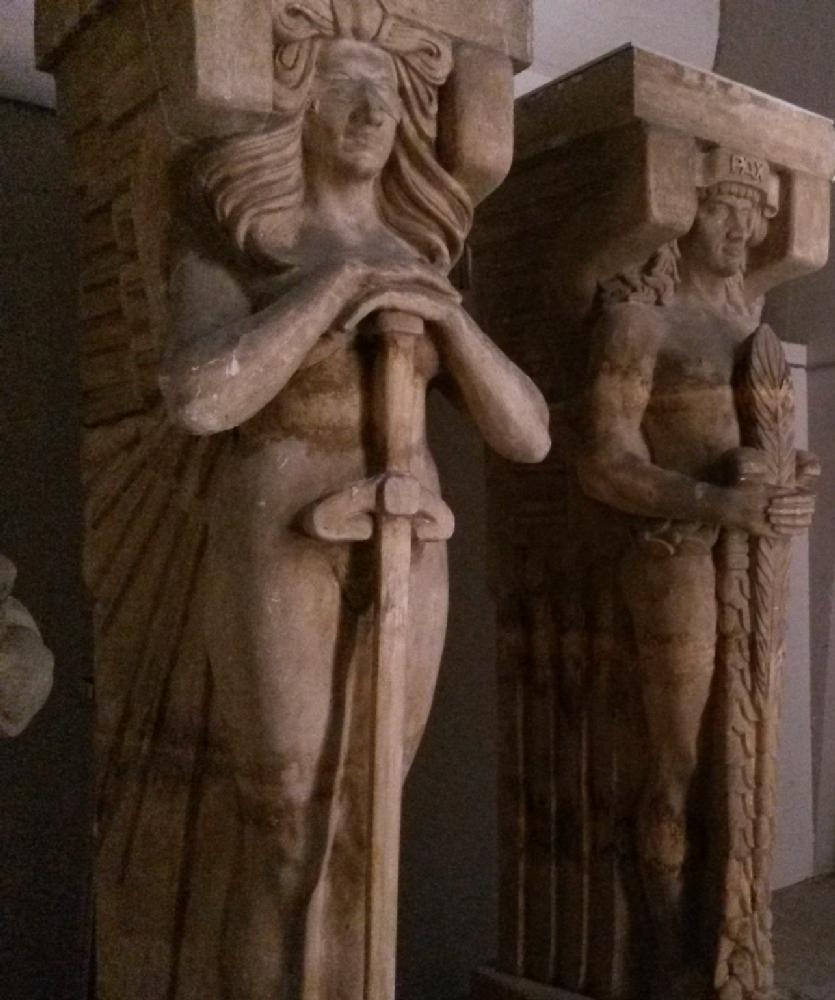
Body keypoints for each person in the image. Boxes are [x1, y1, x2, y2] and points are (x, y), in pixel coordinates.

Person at [159, 13, 549, 999]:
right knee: (286, 823)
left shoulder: (423, 261)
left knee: (369, 818)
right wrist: (337, 288)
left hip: (409, 532)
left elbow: (528, 433)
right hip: (282, 525)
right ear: (297, 105)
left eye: (386, 92)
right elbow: (202, 397)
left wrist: (444, 316)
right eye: (343, 86)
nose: (371, 111)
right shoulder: (236, 245)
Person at [576, 149, 816, 998]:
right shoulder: (640, 320)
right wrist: (715, 504)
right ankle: (663, 953)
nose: (741, 228)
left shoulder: (752, 328)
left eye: (753, 211)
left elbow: (762, 454)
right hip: (671, 551)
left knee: (737, 759)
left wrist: (793, 483)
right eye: (721, 207)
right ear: (682, 211)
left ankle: (727, 943)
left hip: (749, 556)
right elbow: (603, 462)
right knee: (677, 762)